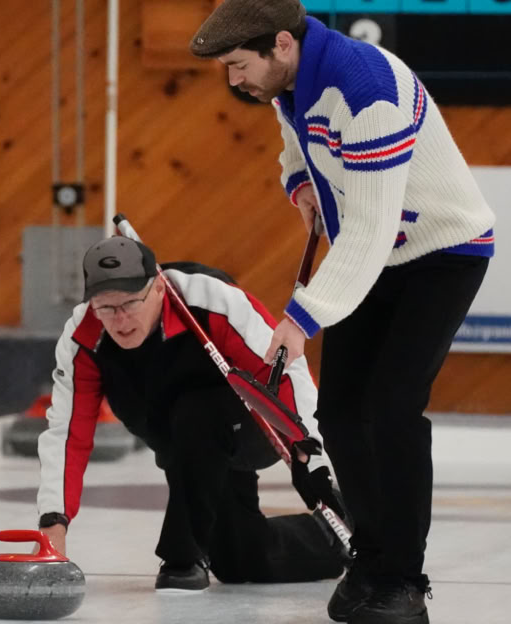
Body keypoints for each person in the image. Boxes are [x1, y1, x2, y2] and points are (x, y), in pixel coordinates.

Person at [190, 2, 495, 622]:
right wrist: (301, 183)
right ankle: (371, 559)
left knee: (391, 407)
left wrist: (302, 318)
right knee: (340, 411)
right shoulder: (290, 82)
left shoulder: (367, 92)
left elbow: (371, 231)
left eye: (237, 65)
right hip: (377, 252)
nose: (233, 80)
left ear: (280, 43)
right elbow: (296, 141)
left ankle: (404, 581)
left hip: (442, 252)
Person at [36, 236, 349, 593]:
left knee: (196, 411)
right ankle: (328, 539)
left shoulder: (211, 300)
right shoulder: (82, 337)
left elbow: (289, 376)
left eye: (130, 304)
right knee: (239, 559)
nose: (120, 319)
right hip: (180, 446)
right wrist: (53, 525)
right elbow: (67, 434)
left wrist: (316, 466)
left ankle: (181, 558)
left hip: (250, 428)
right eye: (106, 308)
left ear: (157, 288)